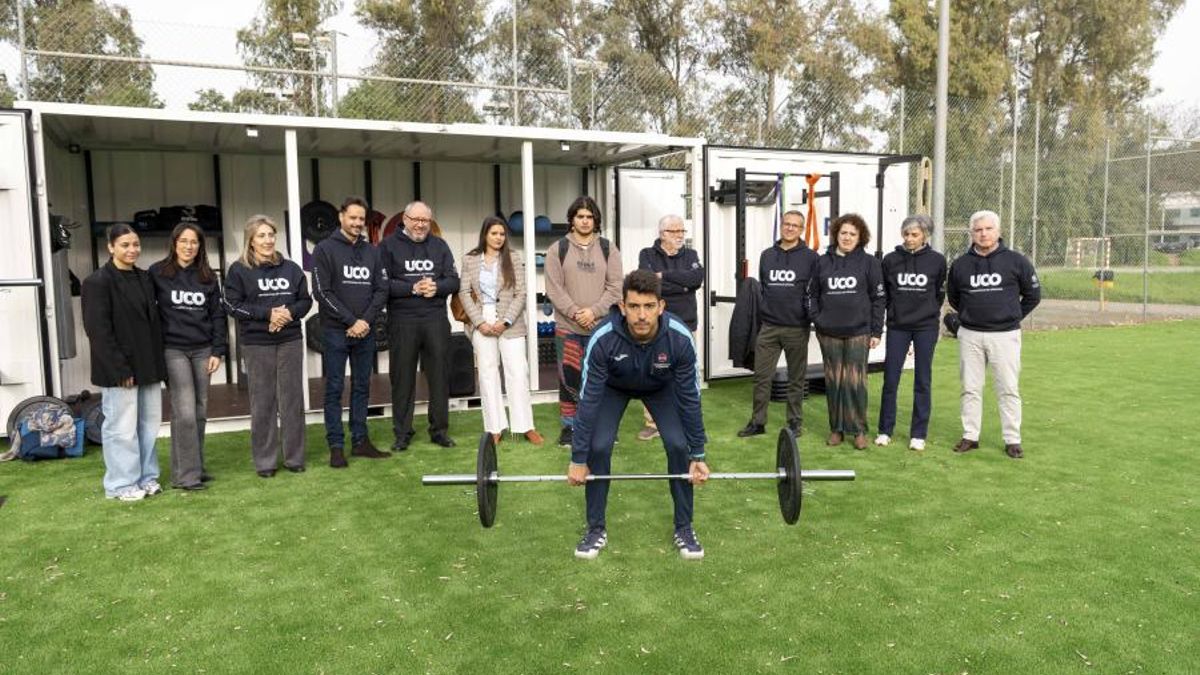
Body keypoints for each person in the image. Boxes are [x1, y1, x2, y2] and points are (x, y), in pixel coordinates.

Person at [567, 270, 710, 560]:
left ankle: (684, 527)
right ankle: (596, 529)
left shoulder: (679, 338)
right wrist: (578, 459)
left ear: (661, 307)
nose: (641, 315)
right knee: (599, 446)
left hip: (661, 386)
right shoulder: (603, 338)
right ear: (622, 307)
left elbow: (690, 399)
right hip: (613, 388)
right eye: (633, 307)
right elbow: (588, 402)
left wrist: (698, 454)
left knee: (678, 445)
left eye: (648, 306)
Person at [82, 224, 168, 501]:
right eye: (125, 245)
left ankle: (146, 477)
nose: (132, 250)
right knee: (121, 428)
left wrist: (159, 367)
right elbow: (98, 331)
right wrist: (120, 369)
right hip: (120, 370)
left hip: (149, 366)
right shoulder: (97, 282)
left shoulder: (145, 278)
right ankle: (121, 484)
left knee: (148, 425)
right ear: (110, 247)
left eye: (135, 244)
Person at [947, 210, 1041, 459]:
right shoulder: (960, 264)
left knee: (1008, 388)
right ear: (972, 234)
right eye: (978, 230)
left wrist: (1011, 316)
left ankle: (1012, 439)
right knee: (970, 388)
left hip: (1005, 336)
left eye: (988, 229)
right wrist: (972, 315)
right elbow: (954, 298)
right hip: (970, 335)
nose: (983, 234)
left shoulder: (1016, 261)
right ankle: (970, 436)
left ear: (998, 232)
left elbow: (1033, 295)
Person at [224, 215, 312, 477]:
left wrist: (286, 313)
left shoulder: (291, 268)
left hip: (290, 340)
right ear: (250, 241)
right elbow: (231, 305)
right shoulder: (239, 270)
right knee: (263, 402)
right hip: (257, 343)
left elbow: (305, 301)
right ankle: (265, 462)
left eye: (271, 234)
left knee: (291, 400)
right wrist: (268, 315)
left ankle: (294, 458)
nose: (268, 240)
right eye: (261, 236)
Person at [311, 197, 391, 468]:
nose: (357, 223)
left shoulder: (373, 251)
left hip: (365, 331)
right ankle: (336, 446)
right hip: (335, 331)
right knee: (334, 388)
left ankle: (360, 441)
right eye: (353, 217)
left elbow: (381, 289)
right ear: (341, 216)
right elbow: (321, 292)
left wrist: (365, 321)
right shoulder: (324, 249)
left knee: (361, 387)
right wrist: (350, 321)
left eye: (361, 219)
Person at [149, 223, 227, 490]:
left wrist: (218, 350)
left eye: (194, 242)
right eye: (183, 241)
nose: (188, 246)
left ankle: (196, 466)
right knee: (184, 412)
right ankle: (186, 476)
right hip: (173, 349)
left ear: (200, 246)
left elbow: (217, 315)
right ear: (174, 243)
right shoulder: (157, 273)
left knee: (200, 411)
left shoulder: (207, 276)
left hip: (203, 349)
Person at [379, 200, 460, 451]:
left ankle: (439, 430)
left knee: (439, 376)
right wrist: (412, 288)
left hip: (435, 319)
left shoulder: (439, 245)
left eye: (425, 220)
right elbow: (382, 285)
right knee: (402, 378)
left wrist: (437, 287)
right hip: (403, 321)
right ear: (405, 219)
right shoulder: (388, 246)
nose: (420, 225)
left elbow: (453, 280)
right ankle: (402, 433)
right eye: (415, 219)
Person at [543, 196, 623, 448]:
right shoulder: (558, 249)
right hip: (568, 328)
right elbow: (554, 289)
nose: (585, 221)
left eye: (589, 217)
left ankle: (603, 426)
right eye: (580, 216)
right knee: (569, 379)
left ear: (595, 220)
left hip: (602, 328)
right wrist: (577, 313)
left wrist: (594, 312)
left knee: (601, 378)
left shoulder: (609, 248)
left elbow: (616, 287)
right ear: (572, 220)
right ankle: (570, 427)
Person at [459, 216, 544, 445]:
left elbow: (521, 293)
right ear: (485, 234)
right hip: (481, 321)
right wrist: (479, 322)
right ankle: (494, 428)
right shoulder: (470, 259)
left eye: (502, 234)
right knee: (487, 374)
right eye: (494, 233)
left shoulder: (514, 258)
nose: (498, 238)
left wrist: (505, 321)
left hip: (511, 323)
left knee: (518, 372)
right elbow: (464, 293)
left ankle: (525, 426)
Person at [737, 210, 819, 439]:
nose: (790, 228)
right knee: (762, 377)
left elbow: (814, 291)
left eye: (795, 225)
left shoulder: (811, 258)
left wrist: (809, 316)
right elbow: (764, 287)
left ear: (802, 230)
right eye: (787, 224)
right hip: (769, 327)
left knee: (796, 379)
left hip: (796, 327)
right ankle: (758, 422)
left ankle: (794, 423)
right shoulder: (767, 255)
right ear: (781, 226)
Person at [810, 213, 885, 450]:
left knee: (855, 382)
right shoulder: (822, 262)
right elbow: (811, 295)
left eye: (853, 234)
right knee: (834, 382)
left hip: (858, 332)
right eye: (843, 233)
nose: (847, 237)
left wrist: (876, 331)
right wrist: (817, 319)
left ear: (860, 237)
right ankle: (837, 429)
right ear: (836, 235)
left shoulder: (870, 263)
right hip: (828, 332)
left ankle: (858, 430)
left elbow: (878, 298)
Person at [875, 215, 947, 452]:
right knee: (891, 379)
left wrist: (927, 314)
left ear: (925, 236)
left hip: (925, 327)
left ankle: (918, 433)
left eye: (914, 235)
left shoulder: (937, 261)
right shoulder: (891, 260)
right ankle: (885, 430)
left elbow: (938, 294)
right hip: (898, 326)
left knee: (922, 380)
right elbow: (884, 294)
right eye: (906, 234)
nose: (909, 239)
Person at [635, 213, 704, 441]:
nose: (681, 236)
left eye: (682, 231)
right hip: (657, 324)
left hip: (686, 323)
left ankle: (686, 419)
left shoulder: (690, 254)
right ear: (663, 234)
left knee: (686, 372)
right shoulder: (646, 254)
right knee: (653, 370)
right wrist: (681, 285)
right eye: (676, 232)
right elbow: (648, 285)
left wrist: (664, 275)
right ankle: (653, 423)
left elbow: (696, 279)